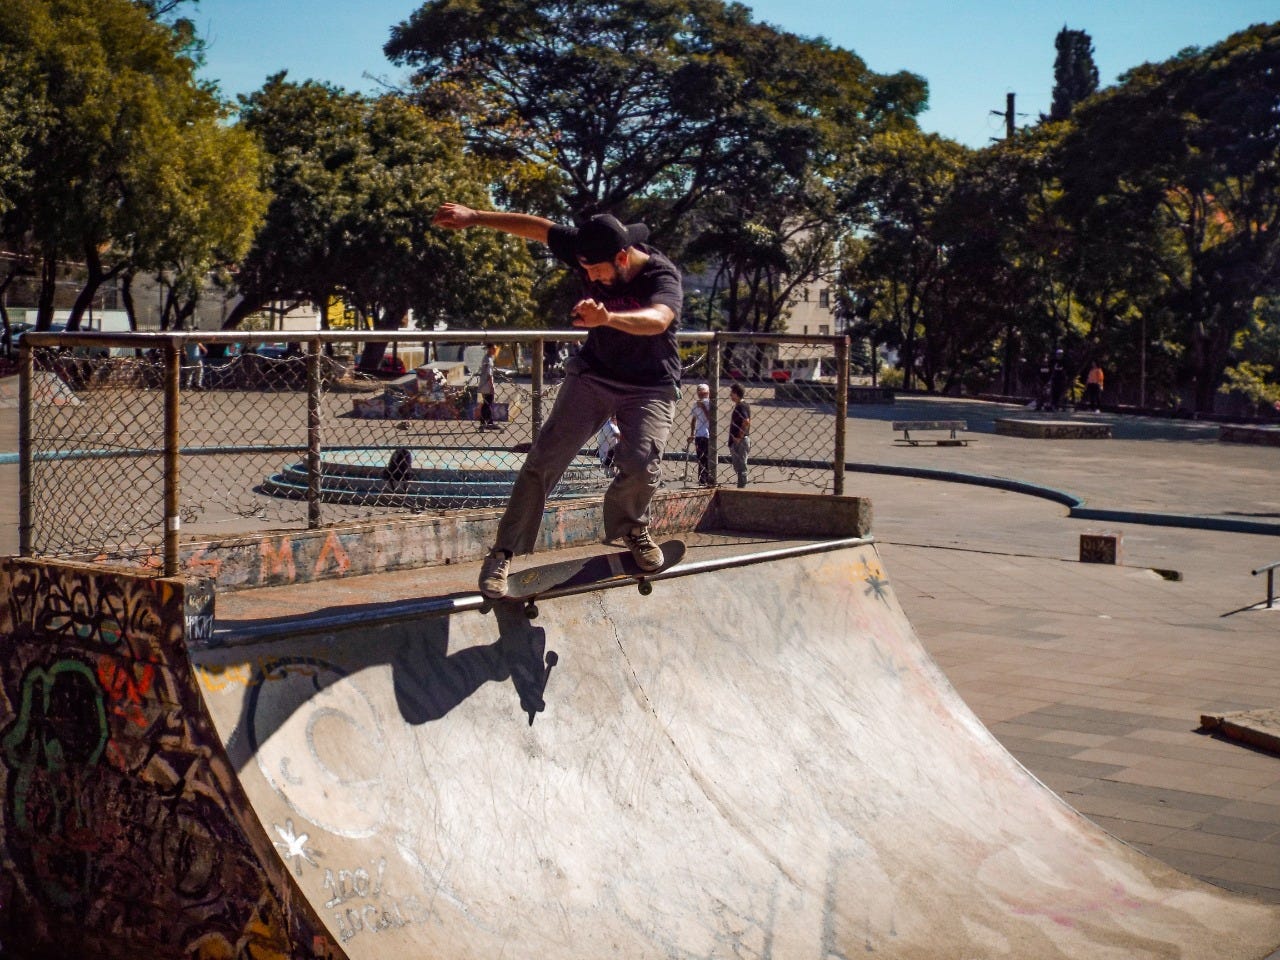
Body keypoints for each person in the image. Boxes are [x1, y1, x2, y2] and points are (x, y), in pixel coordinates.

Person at [432, 202, 684, 600]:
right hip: (593, 375)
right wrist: (476, 217)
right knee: (543, 459)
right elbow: (537, 227)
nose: (590, 278)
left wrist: (609, 319)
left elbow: (659, 319)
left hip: (649, 384)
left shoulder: (660, 273)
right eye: (585, 270)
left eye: (597, 271)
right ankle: (503, 552)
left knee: (640, 462)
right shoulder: (588, 246)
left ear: (622, 257)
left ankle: (632, 528)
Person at [728, 382, 751, 489]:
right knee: (738, 466)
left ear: (737, 394)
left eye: (732, 393)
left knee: (741, 466)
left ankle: (741, 488)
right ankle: (741, 485)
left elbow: (746, 421)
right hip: (738, 441)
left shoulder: (741, 406)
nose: (730, 395)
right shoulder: (741, 406)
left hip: (740, 441)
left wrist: (739, 436)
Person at [689, 383, 712, 485]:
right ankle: (702, 480)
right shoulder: (696, 404)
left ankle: (707, 479)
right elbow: (693, 420)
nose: (702, 396)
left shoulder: (709, 403)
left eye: (704, 393)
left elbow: (710, 419)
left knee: (706, 458)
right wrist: (692, 433)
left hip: (708, 434)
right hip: (699, 434)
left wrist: (703, 407)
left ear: (708, 393)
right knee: (701, 459)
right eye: (700, 393)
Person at [477, 342, 499, 430]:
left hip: (484, 384)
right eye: (494, 349)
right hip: (487, 385)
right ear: (490, 349)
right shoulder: (488, 359)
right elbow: (489, 375)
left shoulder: (487, 358)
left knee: (486, 404)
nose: (495, 350)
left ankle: (484, 423)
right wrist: (492, 386)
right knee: (488, 403)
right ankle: (489, 423)